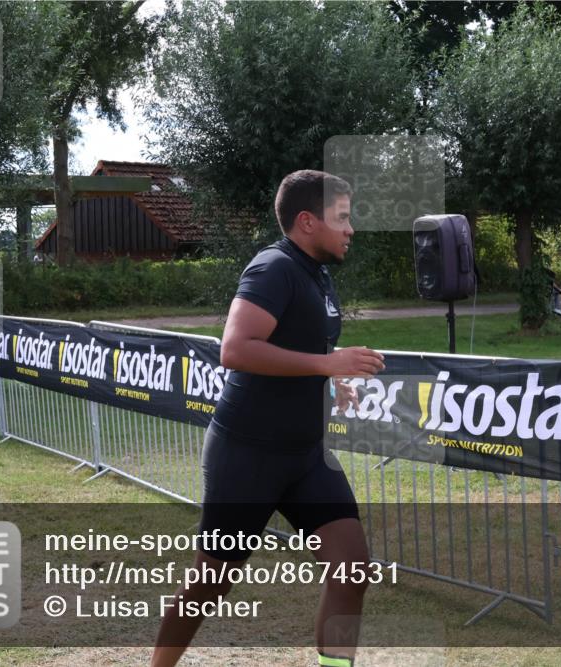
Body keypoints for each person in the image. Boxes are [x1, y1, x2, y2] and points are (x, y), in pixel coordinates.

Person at [151, 170, 385, 667]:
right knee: (210, 583)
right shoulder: (272, 267)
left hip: (305, 455)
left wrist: (330, 371)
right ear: (306, 221)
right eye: (342, 218)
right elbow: (234, 349)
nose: (351, 229)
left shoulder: (316, 271)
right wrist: (325, 365)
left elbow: (295, 338)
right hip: (248, 454)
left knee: (352, 569)